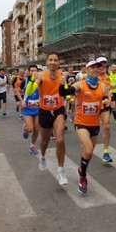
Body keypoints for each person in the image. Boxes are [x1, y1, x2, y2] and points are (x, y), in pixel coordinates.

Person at [59, 59, 110, 194]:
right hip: (81, 123)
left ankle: (82, 169)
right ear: (86, 70)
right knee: (87, 150)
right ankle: (83, 176)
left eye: (97, 68)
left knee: (89, 153)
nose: (95, 70)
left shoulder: (103, 87)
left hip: (95, 124)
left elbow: (107, 100)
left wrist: (108, 103)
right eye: (92, 68)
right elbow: (64, 93)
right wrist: (62, 85)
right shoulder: (80, 85)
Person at [34, 52, 69, 185]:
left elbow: (66, 91)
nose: (53, 62)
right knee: (45, 141)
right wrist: (35, 81)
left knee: (59, 139)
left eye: (55, 60)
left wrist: (64, 85)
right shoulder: (42, 75)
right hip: (44, 111)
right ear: (47, 62)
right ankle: (42, 156)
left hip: (58, 109)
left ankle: (61, 170)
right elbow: (32, 88)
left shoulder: (63, 75)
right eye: (50, 60)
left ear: (59, 62)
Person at [96, 56, 114, 163]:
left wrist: (110, 98)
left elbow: (108, 91)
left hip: (105, 104)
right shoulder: (88, 76)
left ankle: (106, 152)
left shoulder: (108, 77)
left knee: (106, 126)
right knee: (93, 128)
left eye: (104, 63)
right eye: (100, 64)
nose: (102, 66)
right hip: (92, 104)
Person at [21, 65, 41, 155]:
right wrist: (21, 100)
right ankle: (26, 129)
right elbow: (17, 90)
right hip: (27, 109)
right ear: (29, 72)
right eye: (32, 70)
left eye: (35, 70)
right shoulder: (25, 81)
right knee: (30, 129)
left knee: (37, 129)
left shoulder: (41, 81)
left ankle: (32, 146)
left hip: (38, 108)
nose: (33, 72)